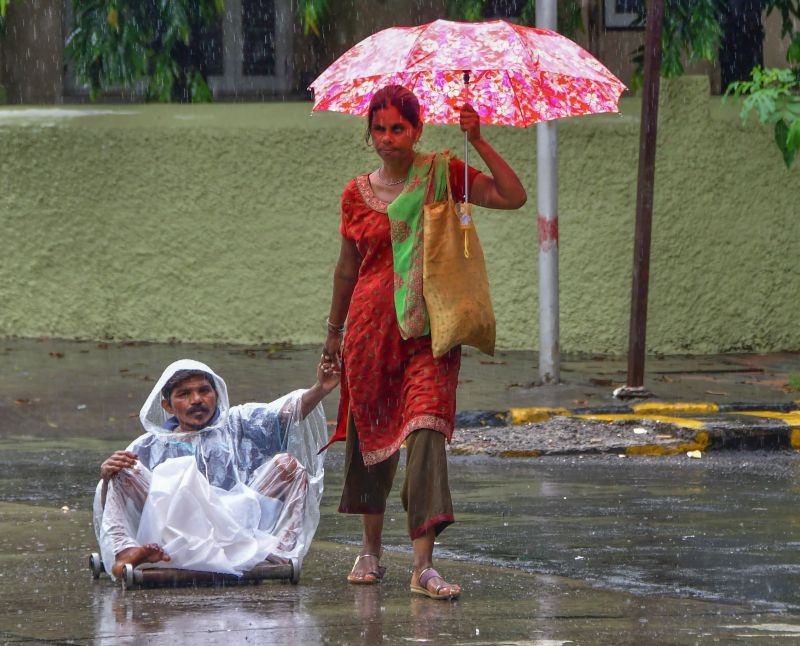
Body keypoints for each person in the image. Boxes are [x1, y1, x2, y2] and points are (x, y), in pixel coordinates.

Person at [323, 84, 526, 599]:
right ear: (369, 134)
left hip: (430, 332)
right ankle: (370, 549)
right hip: (369, 333)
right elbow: (347, 271)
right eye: (380, 129)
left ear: (417, 130)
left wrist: (477, 140)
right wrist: (333, 335)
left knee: (427, 432)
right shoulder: (354, 194)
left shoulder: (442, 173)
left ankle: (423, 566)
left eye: (399, 128)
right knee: (370, 437)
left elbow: (512, 195)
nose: (389, 139)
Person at [93, 357, 339, 580]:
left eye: (204, 391)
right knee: (120, 469)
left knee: (289, 466)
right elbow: (117, 502)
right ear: (167, 406)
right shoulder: (148, 445)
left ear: (217, 395)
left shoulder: (238, 423)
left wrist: (321, 389)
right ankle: (125, 552)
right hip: (176, 529)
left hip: (238, 525)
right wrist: (108, 473)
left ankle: (277, 554)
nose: (197, 400)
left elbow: (285, 414)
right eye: (184, 394)